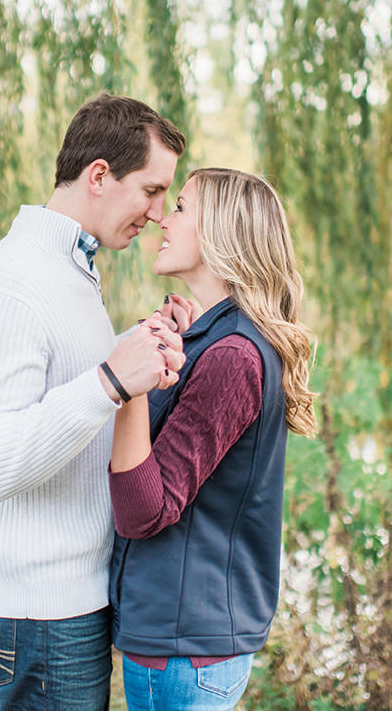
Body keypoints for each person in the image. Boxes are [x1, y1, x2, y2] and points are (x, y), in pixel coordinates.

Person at [0, 93, 188, 711]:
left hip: (66, 594)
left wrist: (141, 345)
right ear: (101, 176)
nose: (161, 214)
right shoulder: (13, 283)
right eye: (152, 190)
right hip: (39, 605)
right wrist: (111, 378)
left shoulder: (68, 268)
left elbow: (64, 385)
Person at [108, 168, 318, 710]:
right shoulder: (221, 339)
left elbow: (143, 511)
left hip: (183, 649)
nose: (162, 218)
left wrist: (131, 385)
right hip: (188, 640)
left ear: (220, 232)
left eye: (179, 207)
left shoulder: (231, 355)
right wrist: (170, 341)